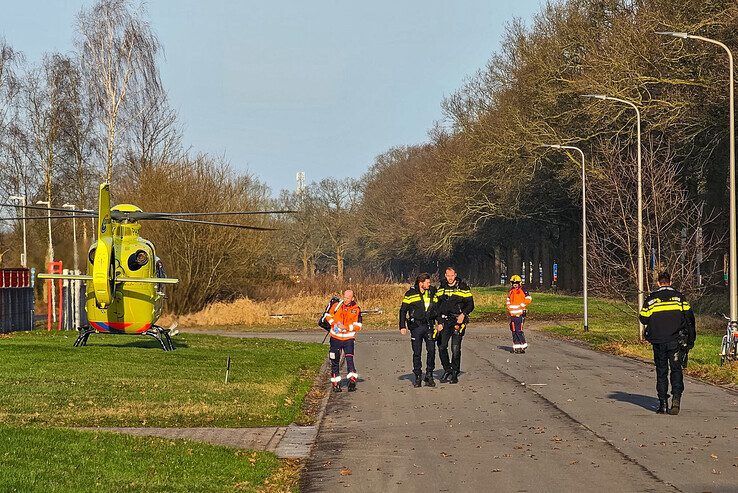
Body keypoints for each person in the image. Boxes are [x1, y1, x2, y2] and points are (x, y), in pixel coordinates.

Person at [639, 271, 696, 415]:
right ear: (670, 282)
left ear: (658, 283)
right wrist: (690, 338)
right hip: (675, 340)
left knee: (661, 371)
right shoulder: (679, 298)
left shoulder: (651, 299)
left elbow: (643, 318)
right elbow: (689, 316)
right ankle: (676, 399)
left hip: (658, 341)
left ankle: (663, 403)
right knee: (676, 370)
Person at [435, 267, 474, 384]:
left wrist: (463, 314)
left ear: (455, 275)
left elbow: (471, 305)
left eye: (452, 276)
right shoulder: (441, 287)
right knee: (442, 346)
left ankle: (455, 373)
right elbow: (437, 306)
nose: (450, 278)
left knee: (455, 348)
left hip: (458, 321)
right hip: (445, 321)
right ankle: (447, 369)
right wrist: (439, 321)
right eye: (448, 276)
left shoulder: (463, 287)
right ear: (445, 275)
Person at [399, 273, 439, 388]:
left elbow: (437, 308)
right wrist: (402, 326)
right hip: (416, 327)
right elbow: (403, 310)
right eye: (427, 282)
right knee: (417, 352)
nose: (429, 284)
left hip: (429, 326)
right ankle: (417, 376)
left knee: (431, 351)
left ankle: (429, 375)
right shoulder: (410, 293)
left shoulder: (432, 292)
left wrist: (439, 322)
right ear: (421, 283)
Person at [325, 290, 363, 392]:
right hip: (335, 338)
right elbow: (328, 316)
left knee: (349, 359)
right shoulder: (336, 305)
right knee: (334, 360)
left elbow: (358, 326)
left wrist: (345, 327)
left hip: (348, 339)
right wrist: (334, 324)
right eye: (344, 297)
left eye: (348, 298)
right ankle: (335, 383)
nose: (345, 300)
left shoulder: (356, 309)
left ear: (352, 298)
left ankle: (352, 380)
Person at [506, 275, 532, 353]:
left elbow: (528, 299)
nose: (515, 284)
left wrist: (521, 306)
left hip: (520, 314)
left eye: (516, 283)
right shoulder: (511, 291)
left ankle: (523, 345)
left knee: (518, 330)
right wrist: (509, 308)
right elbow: (508, 300)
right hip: (512, 314)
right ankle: (517, 347)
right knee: (513, 331)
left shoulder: (523, 290)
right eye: (513, 283)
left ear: (519, 283)